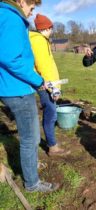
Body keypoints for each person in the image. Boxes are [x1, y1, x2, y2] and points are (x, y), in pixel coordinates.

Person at [0, 0, 58, 192]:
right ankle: (32, 183)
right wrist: (38, 80)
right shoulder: (11, 18)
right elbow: (11, 58)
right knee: (30, 137)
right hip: (17, 89)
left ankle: (31, 166)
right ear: (21, 1)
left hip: (12, 87)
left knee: (30, 136)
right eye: (32, 8)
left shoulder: (5, 15)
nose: (32, 13)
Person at [29, 13, 69, 156]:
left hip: (46, 82)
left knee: (50, 112)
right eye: (51, 28)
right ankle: (52, 146)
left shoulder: (39, 40)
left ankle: (52, 143)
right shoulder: (39, 41)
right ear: (47, 28)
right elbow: (44, 66)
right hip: (45, 84)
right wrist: (53, 89)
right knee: (51, 113)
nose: (52, 30)